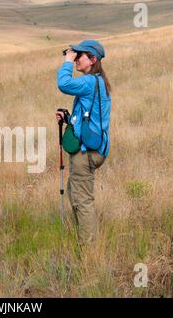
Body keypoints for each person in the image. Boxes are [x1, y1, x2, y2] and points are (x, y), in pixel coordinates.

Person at [55, 39, 112, 244]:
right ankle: (83, 236)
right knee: (74, 190)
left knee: (82, 200)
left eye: (80, 56)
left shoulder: (90, 82)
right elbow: (90, 118)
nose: (76, 58)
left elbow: (63, 83)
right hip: (94, 147)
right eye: (74, 55)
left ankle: (88, 250)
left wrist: (67, 61)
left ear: (93, 59)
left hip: (85, 152)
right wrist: (69, 119)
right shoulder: (97, 82)